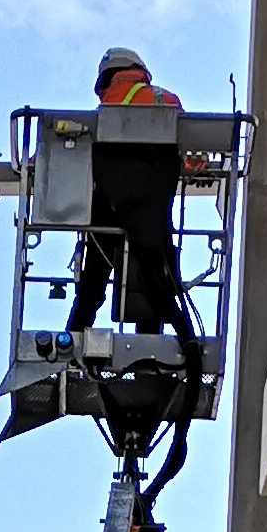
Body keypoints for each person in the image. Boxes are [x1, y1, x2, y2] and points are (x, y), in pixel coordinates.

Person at [67, 43, 187, 339]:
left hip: (107, 207)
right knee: (155, 276)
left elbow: (77, 152)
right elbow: (188, 146)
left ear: (107, 78)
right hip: (152, 211)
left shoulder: (105, 109)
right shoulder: (165, 99)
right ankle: (151, 344)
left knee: (94, 279)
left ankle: (75, 336)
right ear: (141, 72)